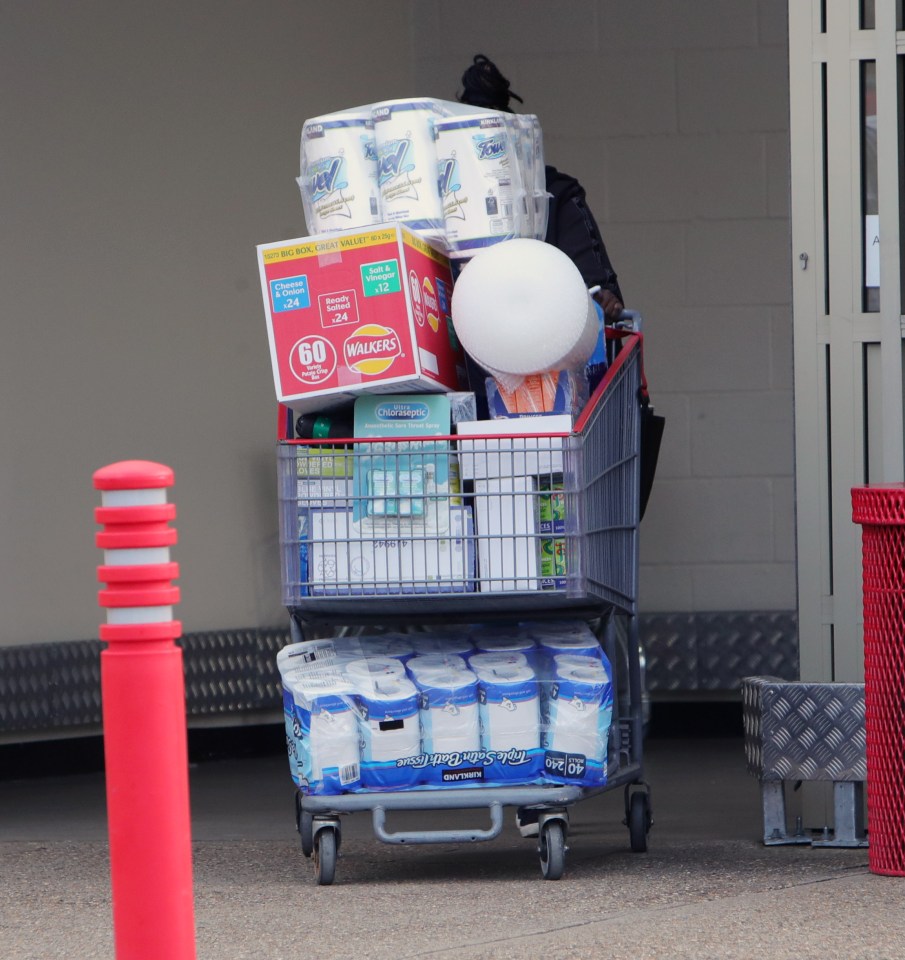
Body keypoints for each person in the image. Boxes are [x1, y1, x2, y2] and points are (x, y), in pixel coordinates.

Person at [457, 54, 625, 320]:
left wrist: (602, 300)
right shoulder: (441, 202)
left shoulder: (555, 194)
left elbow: (601, 294)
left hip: (546, 349)